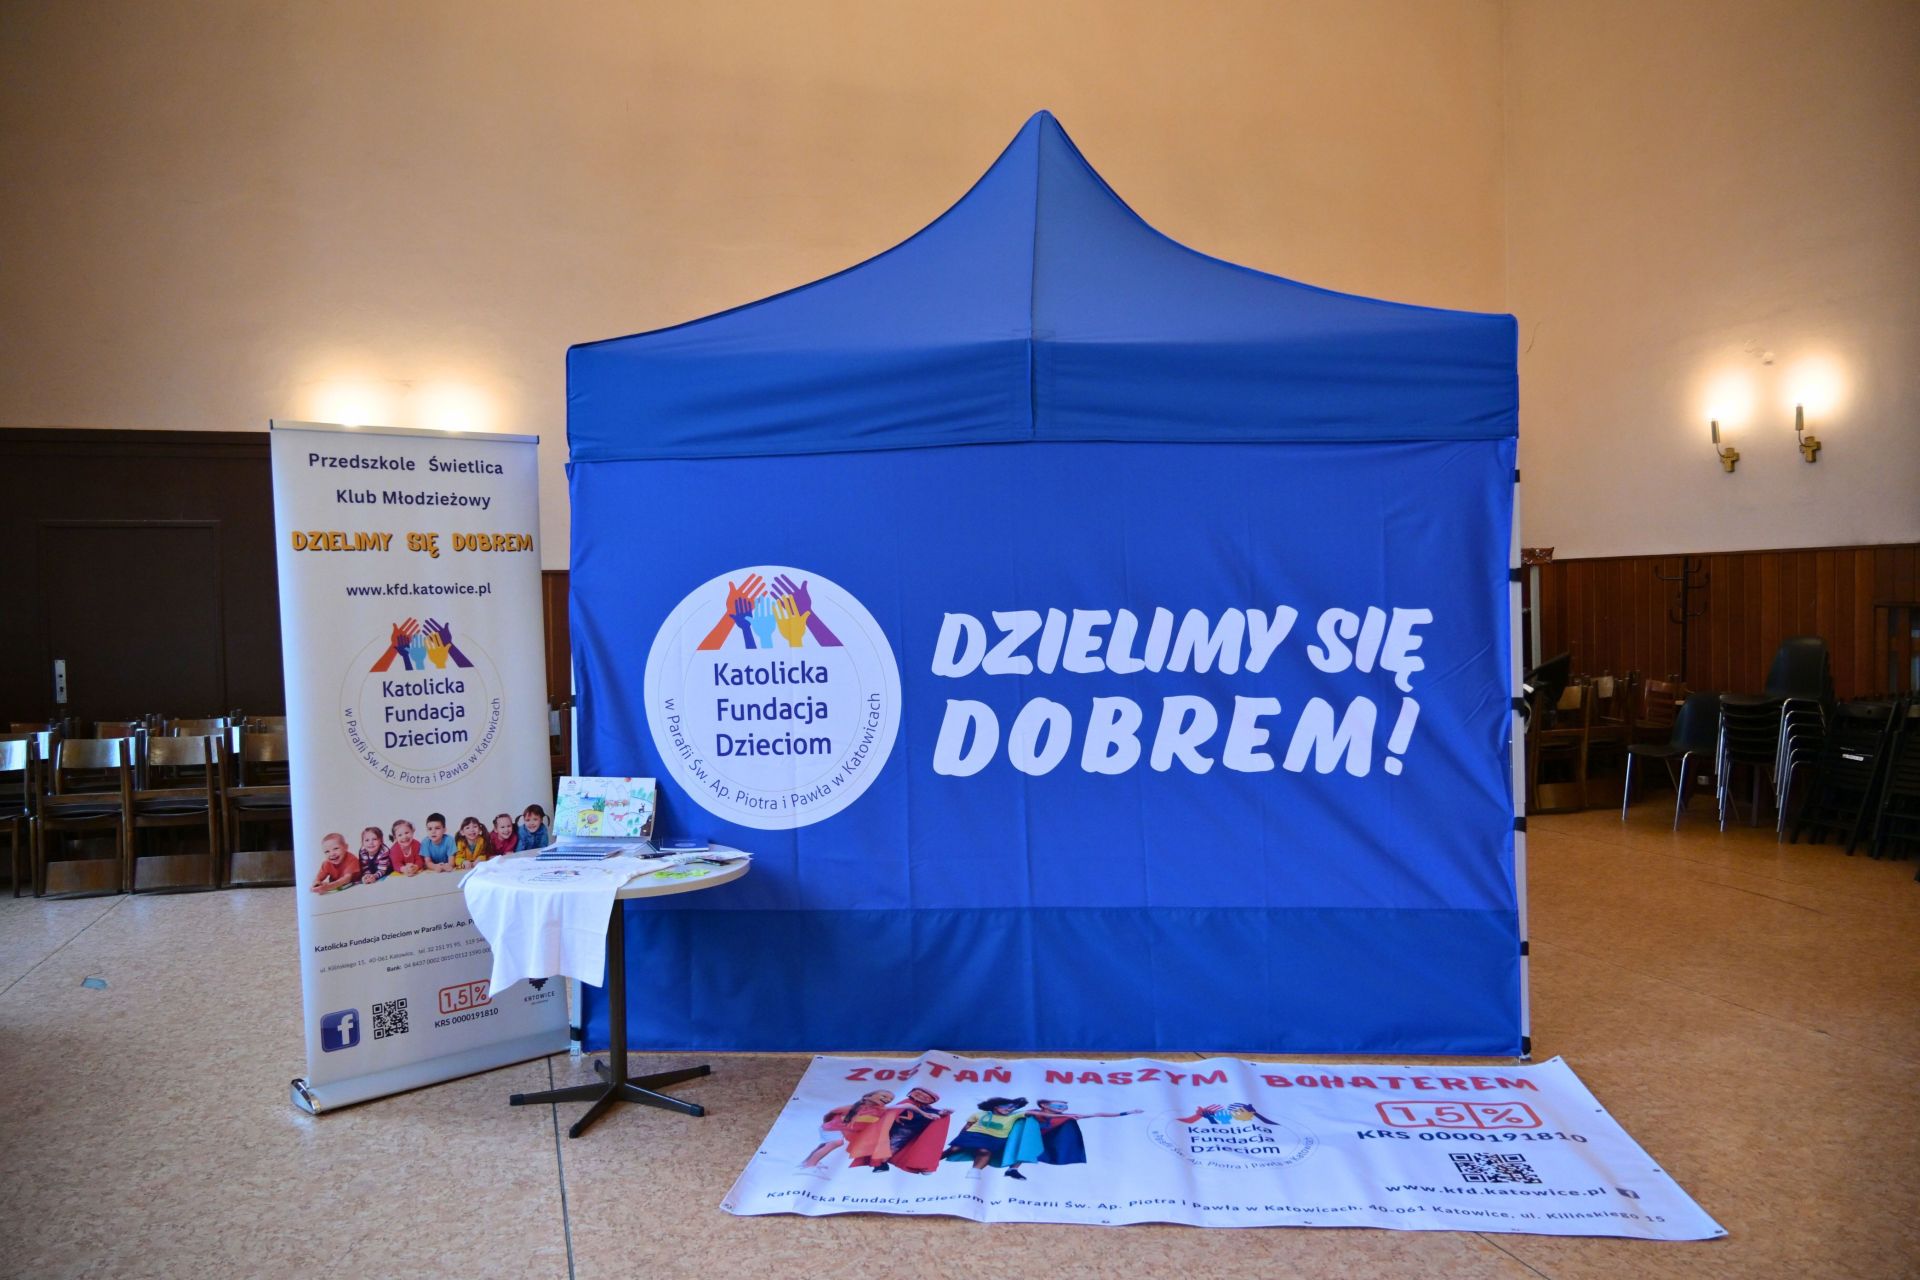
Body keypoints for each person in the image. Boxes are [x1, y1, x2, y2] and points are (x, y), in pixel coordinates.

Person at [941, 1097, 1044, 1179]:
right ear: (995, 1106)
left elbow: (1033, 1113)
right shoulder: (979, 1114)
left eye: (1013, 1108)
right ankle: (937, 1158)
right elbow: (968, 1125)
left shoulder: (1013, 1116)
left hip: (994, 1138)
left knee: (984, 1151)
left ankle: (975, 1171)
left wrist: (1050, 1114)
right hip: (973, 1134)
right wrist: (960, 1136)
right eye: (1006, 1106)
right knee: (955, 1149)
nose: (1010, 1109)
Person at [855, 1087, 951, 1174]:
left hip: (906, 1131)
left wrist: (940, 1113)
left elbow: (922, 1112)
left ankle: (881, 1164)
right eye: (919, 1094)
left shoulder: (925, 1108)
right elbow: (904, 1107)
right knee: (889, 1145)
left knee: (892, 1146)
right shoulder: (909, 1102)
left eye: (926, 1097)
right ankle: (880, 1163)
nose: (921, 1097)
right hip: (898, 1129)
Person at [1026, 1099, 1141, 1167]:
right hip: (1031, 1138)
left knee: (1069, 1122)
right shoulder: (1033, 1112)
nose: (1062, 1108)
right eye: (1059, 1105)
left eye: (1065, 1107)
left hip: (1048, 1141)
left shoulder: (1066, 1117)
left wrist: (1127, 1112)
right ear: (1044, 1105)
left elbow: (1097, 1114)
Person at [800, 1090, 893, 1169]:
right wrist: (827, 1124)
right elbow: (830, 1113)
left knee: (825, 1145)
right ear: (868, 1097)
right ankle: (810, 1165)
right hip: (831, 1128)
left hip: (841, 1131)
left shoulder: (880, 1111)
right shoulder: (851, 1108)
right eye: (884, 1096)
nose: (888, 1100)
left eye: (890, 1099)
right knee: (837, 1142)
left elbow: (895, 1109)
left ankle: (807, 1161)